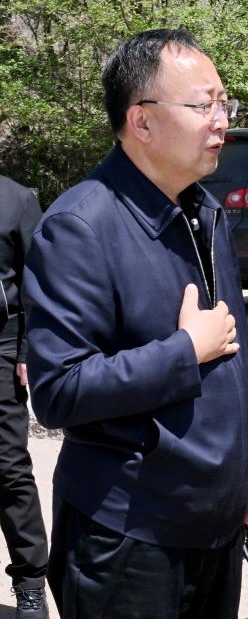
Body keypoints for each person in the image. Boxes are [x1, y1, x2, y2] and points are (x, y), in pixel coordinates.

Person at [23, 28, 248, 618]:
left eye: (224, 103)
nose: (221, 122)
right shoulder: (80, 226)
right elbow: (58, 390)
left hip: (214, 526)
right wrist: (185, 350)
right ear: (143, 121)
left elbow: (232, 372)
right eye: (203, 105)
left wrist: (246, 490)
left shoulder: (203, 210)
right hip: (129, 536)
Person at [0, 176, 48, 618]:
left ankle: (31, 583)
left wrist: (27, 350)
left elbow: (39, 281)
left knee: (8, 467)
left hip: (2, 345)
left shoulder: (16, 199)